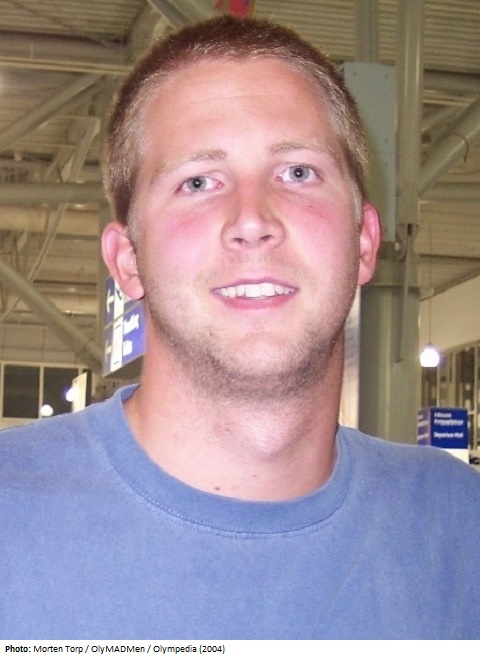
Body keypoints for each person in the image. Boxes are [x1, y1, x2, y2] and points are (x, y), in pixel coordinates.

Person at [0, 15, 479, 641]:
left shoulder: (458, 530)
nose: (252, 220)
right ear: (128, 260)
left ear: (364, 241)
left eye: (298, 172)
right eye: (198, 182)